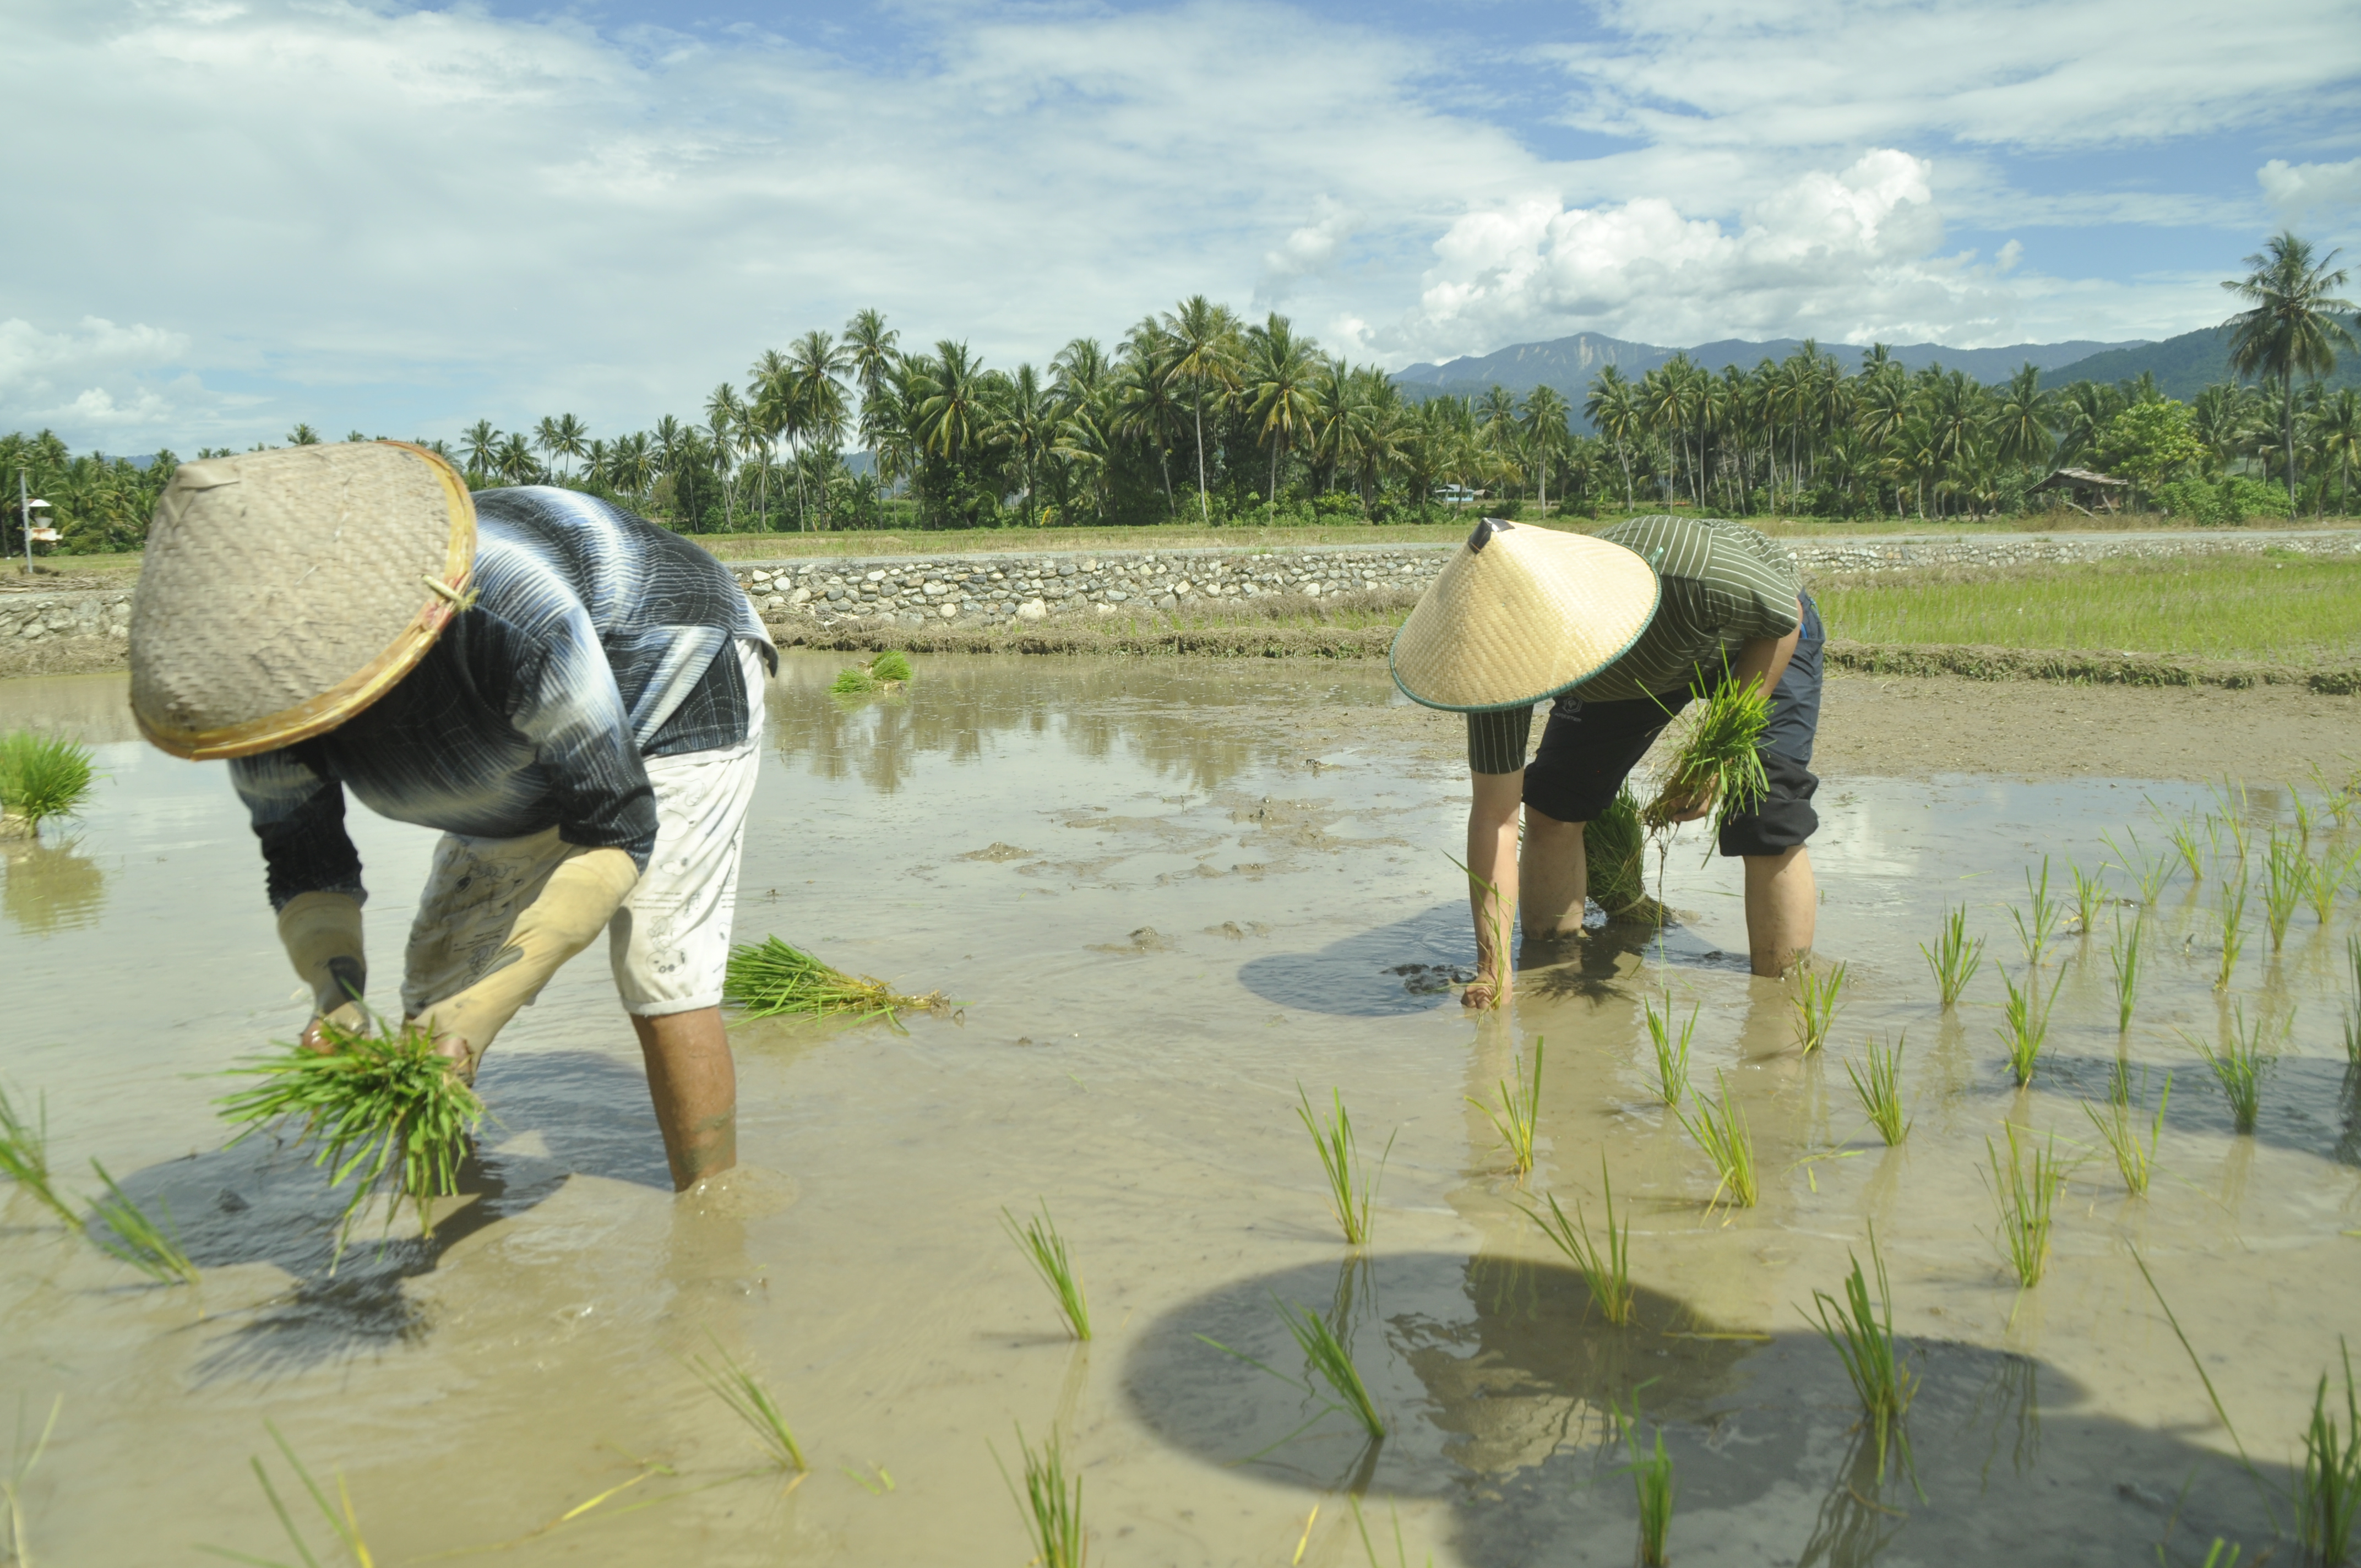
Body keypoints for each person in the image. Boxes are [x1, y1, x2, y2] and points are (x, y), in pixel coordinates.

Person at [128, 440, 774, 1190]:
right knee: (434, 982)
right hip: (511, 749)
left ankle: (710, 1213)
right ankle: (445, 1208)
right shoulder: (257, 697)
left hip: (667, 664)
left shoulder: (509, 610)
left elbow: (616, 833)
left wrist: (483, 1011)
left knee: (659, 963)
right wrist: (335, 998)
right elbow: (307, 867)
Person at [1389, 515, 1823, 1008]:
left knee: (1765, 813)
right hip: (1626, 669)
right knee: (1554, 799)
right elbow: (1495, 818)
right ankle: (1550, 964)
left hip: (1755, 638)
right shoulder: (1497, 666)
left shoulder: (1692, 570)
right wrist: (1493, 968)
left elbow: (1782, 619)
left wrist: (1715, 754)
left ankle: (1783, 1000)